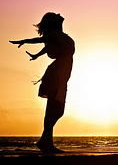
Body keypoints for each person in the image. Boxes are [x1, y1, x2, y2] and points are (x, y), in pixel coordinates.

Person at [10, 12, 75, 153]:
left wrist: (36, 55)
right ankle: (46, 143)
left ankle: (44, 142)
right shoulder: (55, 34)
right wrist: (24, 41)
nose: (59, 14)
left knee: (55, 110)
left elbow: (46, 46)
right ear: (54, 22)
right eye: (56, 15)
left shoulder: (59, 36)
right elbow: (40, 40)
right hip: (57, 74)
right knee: (55, 109)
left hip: (60, 74)